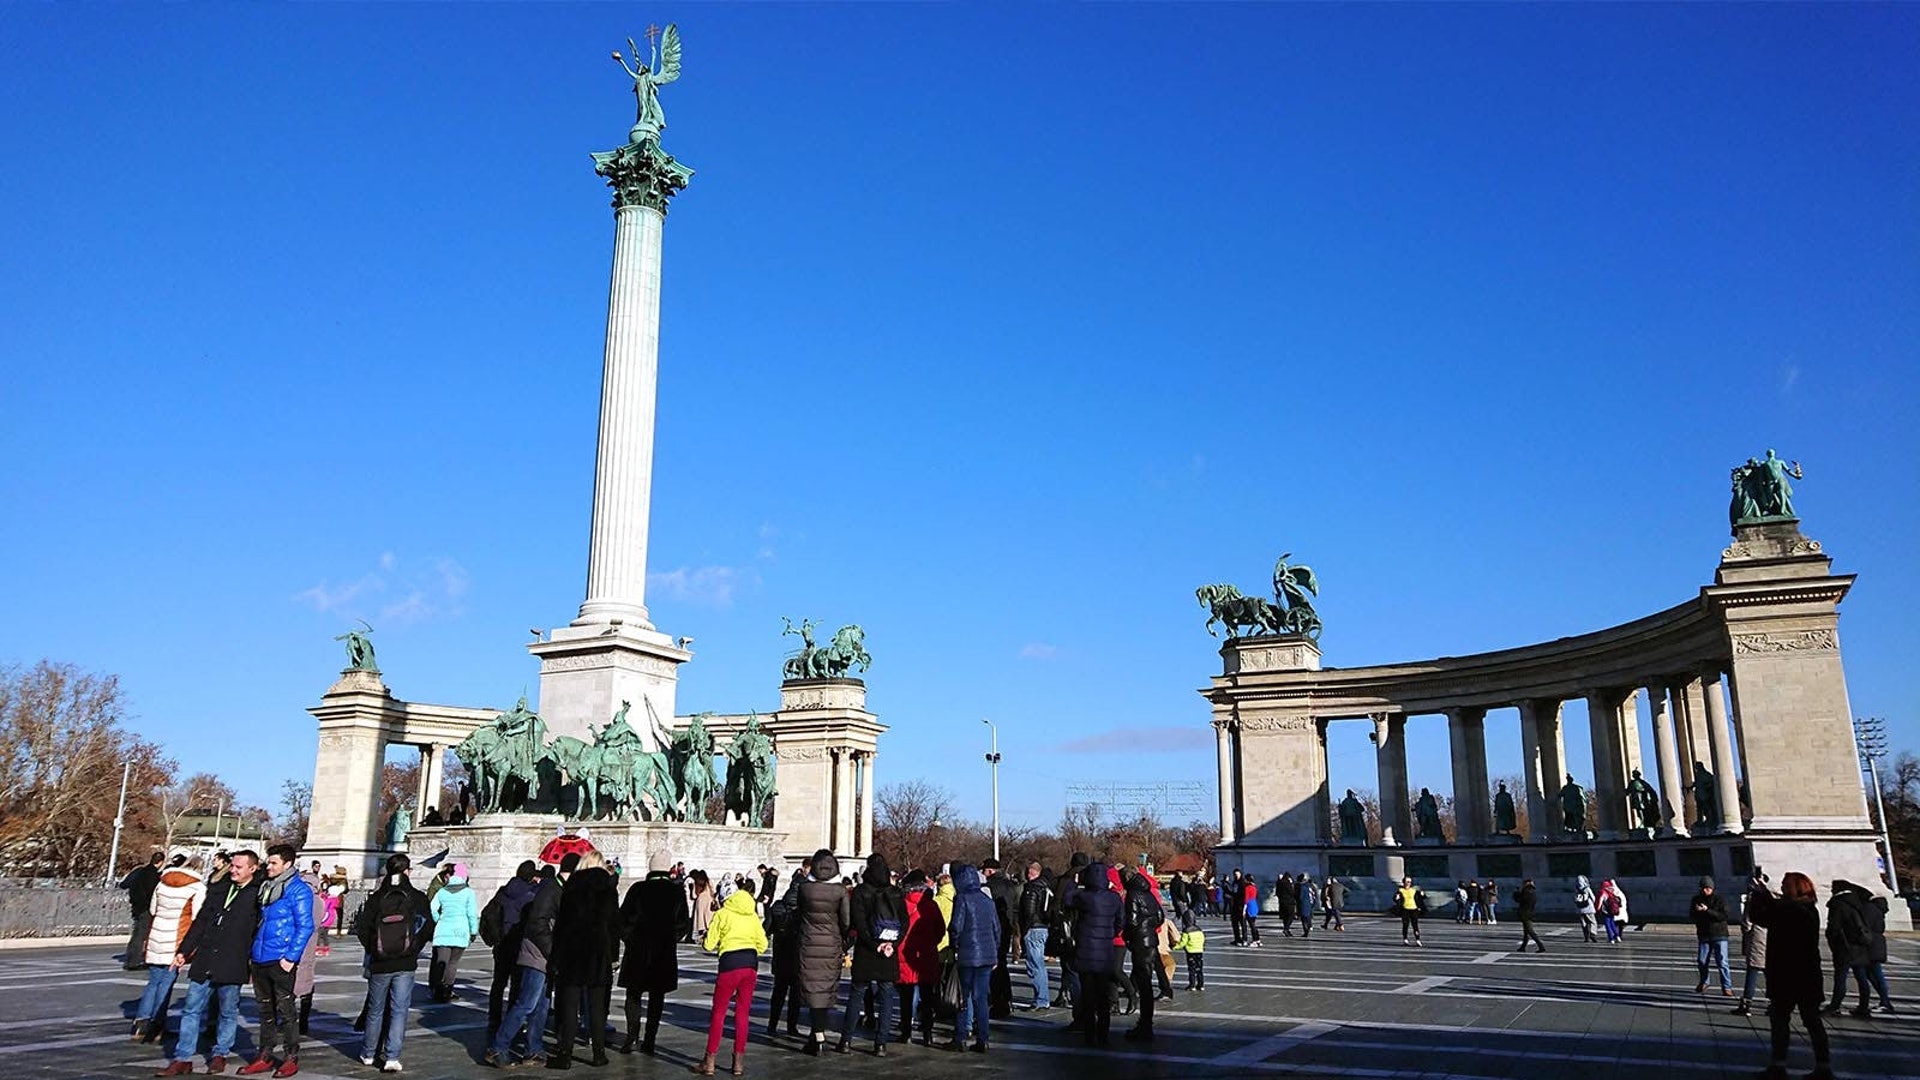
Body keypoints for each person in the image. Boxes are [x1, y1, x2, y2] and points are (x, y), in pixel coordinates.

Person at [155, 849, 261, 1078]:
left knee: (228, 1011)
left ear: (252, 869)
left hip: (233, 960)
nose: (232, 870)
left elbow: (257, 932)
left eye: (238, 867)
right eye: (232, 865)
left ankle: (220, 1053)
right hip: (205, 958)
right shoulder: (219, 889)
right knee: (191, 1009)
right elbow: (200, 922)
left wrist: (253, 961)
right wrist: (183, 951)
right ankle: (183, 1057)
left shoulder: (257, 895)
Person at [234, 845, 314, 1078]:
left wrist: (291, 957)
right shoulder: (267, 888)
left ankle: (290, 1056)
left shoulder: (298, 890)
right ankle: (265, 1055)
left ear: (287, 865)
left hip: (280, 958)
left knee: (286, 1010)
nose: (268, 867)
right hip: (260, 956)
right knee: (265, 1010)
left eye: (273, 863)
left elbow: (305, 925)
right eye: (268, 863)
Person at [1745, 873, 1834, 1080]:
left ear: (1795, 888)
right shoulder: (1801, 908)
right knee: (1789, 1020)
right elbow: (1764, 916)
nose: (1782, 889)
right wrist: (1760, 895)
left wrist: (1761, 894)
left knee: (1802, 1020)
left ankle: (1817, 1066)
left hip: (1794, 973)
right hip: (1796, 973)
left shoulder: (1799, 909)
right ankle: (1786, 1064)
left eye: (1785, 885)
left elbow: (1771, 914)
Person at [355, 853, 432, 1073]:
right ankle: (392, 1056)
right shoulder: (416, 897)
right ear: (407, 871)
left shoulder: (377, 897)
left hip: (380, 963)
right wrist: (413, 948)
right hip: (406, 962)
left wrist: (374, 948)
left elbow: (363, 928)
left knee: (375, 1009)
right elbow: (428, 927)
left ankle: (368, 1052)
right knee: (399, 1009)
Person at [485, 859, 565, 1068]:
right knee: (526, 1003)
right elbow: (540, 926)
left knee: (541, 1005)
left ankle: (534, 1049)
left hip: (531, 953)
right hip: (536, 955)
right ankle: (498, 1047)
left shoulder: (537, 890)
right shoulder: (548, 892)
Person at [549, 850, 622, 1069]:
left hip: (572, 952)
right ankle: (598, 1054)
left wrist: (556, 956)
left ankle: (565, 1055)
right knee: (597, 1007)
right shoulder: (608, 888)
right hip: (598, 953)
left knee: (570, 1006)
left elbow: (562, 924)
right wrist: (613, 955)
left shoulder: (572, 886)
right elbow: (614, 926)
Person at [619, 849, 692, 1055]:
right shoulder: (676, 891)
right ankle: (649, 1040)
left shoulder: (638, 889)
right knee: (657, 997)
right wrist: (670, 939)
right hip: (662, 952)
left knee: (633, 995)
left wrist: (630, 938)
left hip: (637, 950)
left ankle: (631, 1036)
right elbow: (683, 924)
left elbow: (623, 919)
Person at [695, 877, 768, 1076]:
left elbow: (709, 945)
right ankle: (738, 1063)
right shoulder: (752, 915)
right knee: (743, 1014)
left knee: (719, 1013)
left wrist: (711, 940)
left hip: (729, 964)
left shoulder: (723, 913)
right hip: (750, 964)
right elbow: (763, 945)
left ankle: (709, 1061)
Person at [134, 854, 205, 1046]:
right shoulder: (197, 887)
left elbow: (153, 909)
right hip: (176, 938)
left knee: (153, 981)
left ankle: (141, 1021)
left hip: (157, 935)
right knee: (166, 982)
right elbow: (198, 917)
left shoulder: (162, 882)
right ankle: (157, 1024)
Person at [839, 853, 904, 1055]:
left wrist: (873, 944)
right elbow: (904, 922)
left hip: (867, 951)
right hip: (888, 951)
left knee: (857, 994)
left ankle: (846, 1040)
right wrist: (891, 944)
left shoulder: (860, 892)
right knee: (886, 997)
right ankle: (881, 1043)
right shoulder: (895, 892)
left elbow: (858, 922)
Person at [795, 849, 850, 1055]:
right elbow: (846, 921)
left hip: (809, 943)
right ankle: (819, 1035)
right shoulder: (840, 891)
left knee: (812, 990)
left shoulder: (805, 888)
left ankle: (816, 1036)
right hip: (831, 944)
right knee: (825, 991)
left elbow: (799, 913)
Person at [1063, 861, 1123, 1047]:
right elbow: (1121, 922)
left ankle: (1090, 1034)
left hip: (1085, 949)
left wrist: (1073, 882)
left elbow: (1067, 899)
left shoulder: (1084, 897)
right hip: (1105, 951)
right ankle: (1104, 1034)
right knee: (1103, 996)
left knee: (1088, 995)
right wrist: (1110, 933)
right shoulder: (1114, 899)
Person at [482, 860, 541, 1039]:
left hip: (501, 944)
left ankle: (494, 1018)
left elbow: (489, 914)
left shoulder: (502, 891)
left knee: (498, 983)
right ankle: (512, 1020)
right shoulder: (530, 895)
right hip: (518, 945)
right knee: (516, 985)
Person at [946, 862, 1001, 1053]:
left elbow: (956, 927)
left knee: (963, 998)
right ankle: (983, 1038)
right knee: (981, 999)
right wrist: (995, 953)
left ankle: (960, 1036)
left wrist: (955, 944)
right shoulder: (987, 901)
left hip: (968, 955)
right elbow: (996, 929)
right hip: (986, 955)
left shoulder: (962, 899)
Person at [897, 869, 944, 1046]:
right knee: (927, 998)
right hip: (926, 953)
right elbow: (940, 930)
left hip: (904, 955)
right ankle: (927, 1033)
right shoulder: (931, 906)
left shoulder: (902, 904)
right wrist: (932, 942)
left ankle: (906, 1032)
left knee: (906, 998)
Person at [1834, 881, 1895, 1015]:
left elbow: (1861, 927)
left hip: (1868, 946)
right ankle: (1882, 1002)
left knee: (1869, 975)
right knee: (1873, 975)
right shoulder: (1877, 909)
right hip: (1875, 944)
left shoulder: (1868, 909)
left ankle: (1880, 1003)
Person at [1120, 869, 1163, 1042]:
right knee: (1146, 983)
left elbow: (1131, 920)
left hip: (1140, 941)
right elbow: (1160, 916)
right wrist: (1150, 926)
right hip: (1151, 940)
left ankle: (1145, 1025)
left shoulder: (1132, 894)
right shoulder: (1148, 893)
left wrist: (1127, 936)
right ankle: (1146, 1023)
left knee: (1144, 984)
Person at [762, 868, 806, 1039]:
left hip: (780, 956)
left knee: (778, 993)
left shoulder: (778, 907)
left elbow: (766, 929)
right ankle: (791, 1026)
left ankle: (772, 1024)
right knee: (795, 996)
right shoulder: (803, 911)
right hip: (797, 957)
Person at [427, 863, 479, 1004]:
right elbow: (472, 914)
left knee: (441, 961)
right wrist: (473, 931)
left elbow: (433, 908)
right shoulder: (468, 892)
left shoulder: (442, 891)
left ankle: (437, 990)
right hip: (460, 931)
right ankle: (447, 991)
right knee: (453, 963)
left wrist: (439, 919)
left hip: (443, 929)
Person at [981, 858, 1020, 1020]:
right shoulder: (1011, 886)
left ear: (990, 871)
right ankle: (1006, 999)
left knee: (994, 966)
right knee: (1002, 963)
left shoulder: (989, 887)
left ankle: (998, 1002)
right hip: (1008, 926)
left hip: (995, 928)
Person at [1017, 862, 1053, 1012]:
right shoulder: (1047, 888)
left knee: (1034, 965)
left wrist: (1023, 930)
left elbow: (1028, 912)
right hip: (1043, 926)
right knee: (1040, 965)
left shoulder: (1031, 888)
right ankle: (1043, 997)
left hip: (1033, 927)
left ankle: (1041, 999)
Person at [121, 851, 166, 971]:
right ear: (161, 862)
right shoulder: (154, 876)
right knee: (142, 935)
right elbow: (152, 893)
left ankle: (131, 958)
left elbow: (124, 884)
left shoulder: (140, 872)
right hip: (146, 908)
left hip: (136, 906)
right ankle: (134, 961)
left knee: (137, 933)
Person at [1734, 871, 1770, 1016]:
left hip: (1756, 937)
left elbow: (1747, 922)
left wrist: (1745, 931)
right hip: (1770, 937)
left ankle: (1746, 1003)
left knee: (1753, 971)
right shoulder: (1773, 897)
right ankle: (1774, 1002)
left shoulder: (1753, 898)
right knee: (1770, 972)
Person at [1691, 876, 1733, 996]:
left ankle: (1727, 986)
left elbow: (1723, 915)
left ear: (1712, 888)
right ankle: (1704, 981)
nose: (1705, 891)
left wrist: (1707, 910)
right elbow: (1692, 915)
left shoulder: (1719, 900)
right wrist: (1697, 912)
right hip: (1704, 934)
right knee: (1701, 960)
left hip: (1719, 934)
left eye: (1708, 888)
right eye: (1703, 888)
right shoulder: (1696, 899)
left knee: (1722, 962)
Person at [1176, 906, 1205, 990]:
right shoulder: (1199, 929)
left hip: (1190, 951)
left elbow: (1183, 942)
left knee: (1191, 969)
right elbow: (1202, 939)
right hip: (1199, 951)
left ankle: (1192, 985)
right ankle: (1201, 985)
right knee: (1199, 969)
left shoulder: (1186, 930)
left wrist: (1175, 947)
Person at [1514, 879, 1545, 953]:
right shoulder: (1532, 892)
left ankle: (1541, 946)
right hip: (1529, 913)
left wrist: (1516, 893)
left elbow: (1519, 900)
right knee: (1526, 932)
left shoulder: (1526, 892)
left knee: (1530, 931)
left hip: (1525, 914)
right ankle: (1523, 947)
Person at [1394, 876, 1423, 946]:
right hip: (1405, 909)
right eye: (1407, 882)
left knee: (1415, 925)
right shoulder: (1400, 891)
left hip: (1413, 909)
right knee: (1405, 925)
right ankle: (1405, 939)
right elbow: (1395, 899)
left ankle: (1418, 940)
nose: (1408, 883)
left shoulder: (1413, 890)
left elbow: (1420, 898)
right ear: (1404, 882)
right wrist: (1396, 898)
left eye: (1409, 882)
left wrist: (1422, 895)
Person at [1597, 879, 1627, 944]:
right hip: (1612, 910)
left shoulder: (1603, 892)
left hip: (1606, 911)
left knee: (1608, 925)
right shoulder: (1612, 891)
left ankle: (1611, 938)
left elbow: (1600, 902)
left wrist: (1597, 909)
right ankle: (1617, 936)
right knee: (1612, 924)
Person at [690, 871, 716, 941]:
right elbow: (713, 891)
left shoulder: (696, 882)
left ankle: (700, 936)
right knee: (708, 919)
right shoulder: (708, 881)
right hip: (709, 900)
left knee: (700, 919)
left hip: (700, 901)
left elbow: (694, 895)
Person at [1574, 875, 1599, 943]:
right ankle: (1593, 933)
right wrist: (1596, 905)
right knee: (1593, 922)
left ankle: (1586, 937)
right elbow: (1593, 897)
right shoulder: (1587, 888)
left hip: (1580, 909)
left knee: (1584, 923)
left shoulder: (1576, 889)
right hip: (1589, 908)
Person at [1226, 869, 1247, 946]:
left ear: (1240, 874)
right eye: (1235, 874)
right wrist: (1228, 892)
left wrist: (1244, 906)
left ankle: (1244, 939)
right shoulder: (1234, 883)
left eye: (1237, 874)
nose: (1236, 876)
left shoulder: (1242, 883)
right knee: (1234, 923)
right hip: (1234, 905)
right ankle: (1237, 939)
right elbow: (1234, 893)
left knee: (1242, 923)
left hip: (1240, 905)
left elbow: (1244, 895)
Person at [1241, 875, 1262, 946]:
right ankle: (1258, 940)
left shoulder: (1247, 888)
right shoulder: (1254, 887)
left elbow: (1246, 899)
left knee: (1251, 925)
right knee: (1253, 924)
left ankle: (1255, 940)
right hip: (1254, 905)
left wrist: (1244, 910)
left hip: (1249, 906)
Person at [1297, 873, 1317, 939]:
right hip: (1309, 904)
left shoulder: (1302, 887)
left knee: (1304, 919)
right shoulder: (1310, 886)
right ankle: (1309, 927)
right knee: (1308, 917)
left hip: (1303, 904)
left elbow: (1300, 897)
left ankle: (1306, 931)